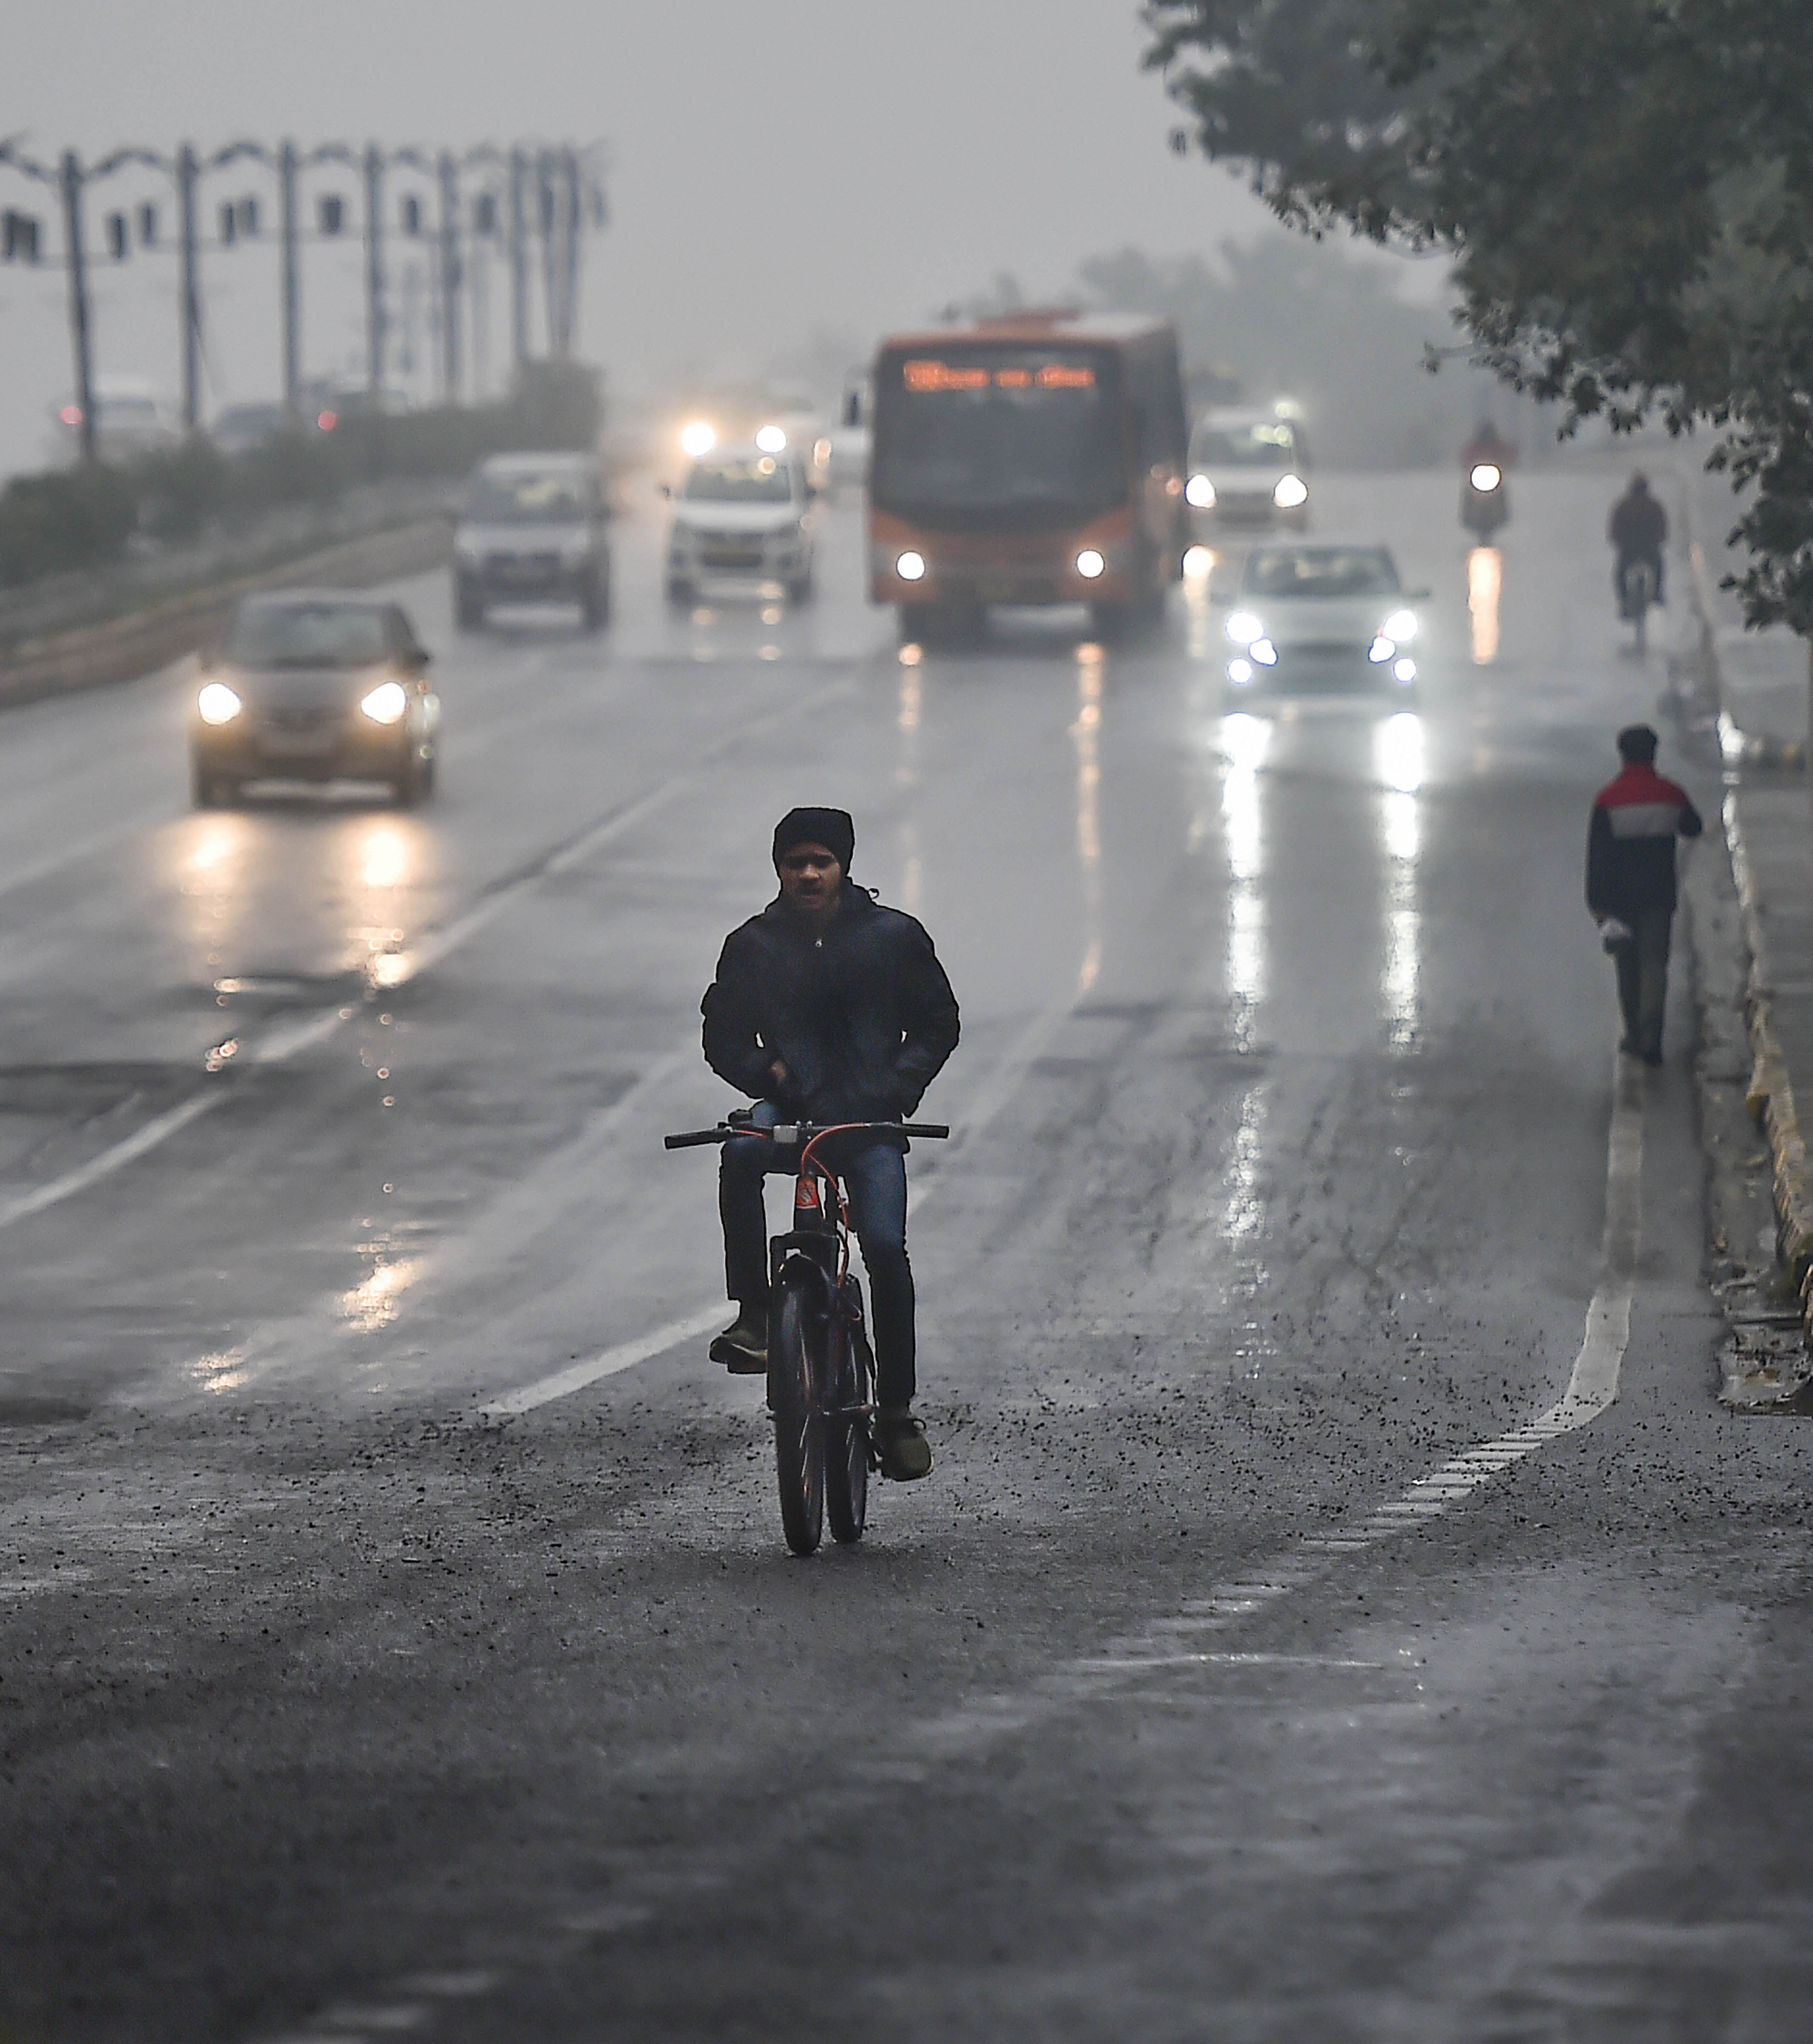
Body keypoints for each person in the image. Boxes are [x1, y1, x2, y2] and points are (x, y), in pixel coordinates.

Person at [700, 807, 960, 1481]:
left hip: (870, 1125)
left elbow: (938, 1024)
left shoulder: (893, 938)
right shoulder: (753, 945)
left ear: (844, 866)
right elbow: (722, 1036)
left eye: (821, 861)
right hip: (792, 1114)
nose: (808, 874)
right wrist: (766, 1074)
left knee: (882, 1248)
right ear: (778, 869)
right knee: (740, 1152)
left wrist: (896, 1089)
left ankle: (896, 1411)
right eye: (795, 863)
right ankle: (757, 1316)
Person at [1586, 725, 1703, 1064]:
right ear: (1653, 754)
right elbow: (1693, 828)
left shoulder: (1608, 800)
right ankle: (1652, 1041)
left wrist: (1598, 907)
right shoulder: (1671, 794)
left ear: (1622, 755)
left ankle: (1633, 1036)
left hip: (1620, 901)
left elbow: (1597, 858)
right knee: (1654, 966)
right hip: (1659, 896)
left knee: (1628, 969)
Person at [1609, 473, 1668, 613]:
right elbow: (1663, 529)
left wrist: (1620, 543)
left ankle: (1624, 600)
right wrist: (1658, 541)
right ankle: (1657, 594)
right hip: (1650, 549)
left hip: (1628, 550)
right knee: (1659, 569)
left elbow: (1615, 530)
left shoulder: (1623, 506)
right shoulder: (1655, 506)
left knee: (1619, 574)